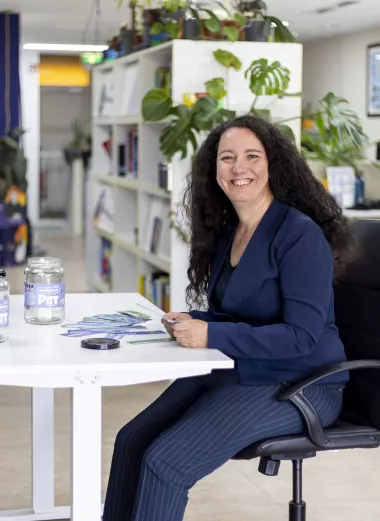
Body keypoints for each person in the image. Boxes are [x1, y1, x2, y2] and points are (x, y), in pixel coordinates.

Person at [103, 115, 355, 521]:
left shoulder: (298, 234)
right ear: (213, 169)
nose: (239, 168)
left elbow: (302, 337)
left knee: (166, 461)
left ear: (274, 164)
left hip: (303, 382)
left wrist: (211, 333)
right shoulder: (232, 231)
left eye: (252, 156)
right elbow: (237, 313)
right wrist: (192, 319)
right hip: (245, 366)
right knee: (132, 440)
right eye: (227, 158)